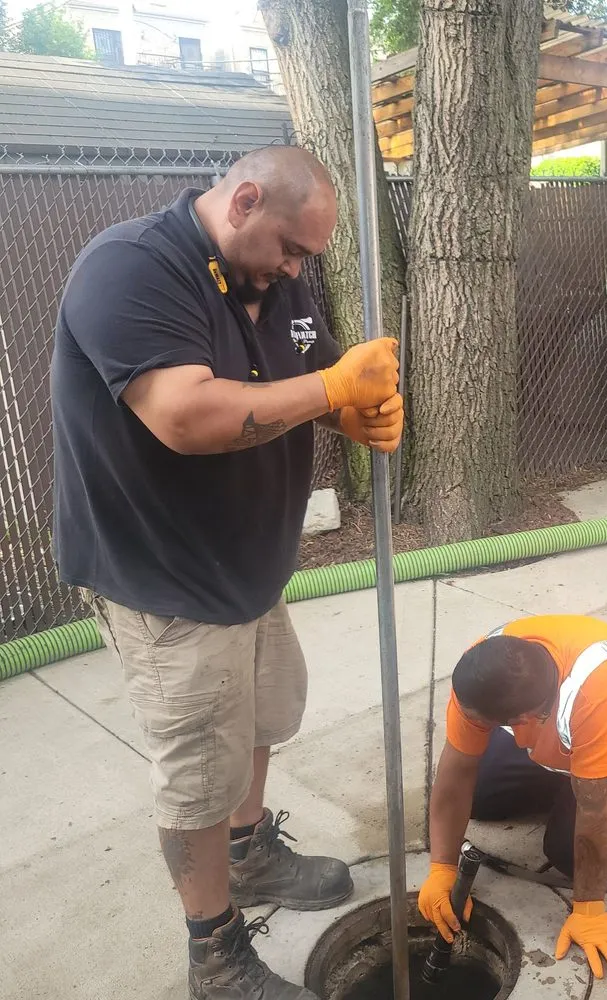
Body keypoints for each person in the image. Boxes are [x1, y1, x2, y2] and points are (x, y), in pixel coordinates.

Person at [49, 146, 403, 1000]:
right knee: (199, 772)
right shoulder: (131, 268)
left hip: (247, 564)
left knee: (265, 714)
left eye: (309, 257)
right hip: (162, 574)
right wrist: (329, 390)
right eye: (291, 248)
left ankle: (248, 857)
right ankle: (213, 950)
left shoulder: (280, 280)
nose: (298, 269)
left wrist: (350, 413)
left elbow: (289, 383)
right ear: (243, 200)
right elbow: (185, 414)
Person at [418, 614, 607, 980]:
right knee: (481, 796)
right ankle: (564, 782)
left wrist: (589, 910)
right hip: (557, 730)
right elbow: (457, 771)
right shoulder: (482, 674)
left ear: (528, 716)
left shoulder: (605, 690)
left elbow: (595, 813)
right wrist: (442, 868)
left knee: (569, 853)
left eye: (510, 725)